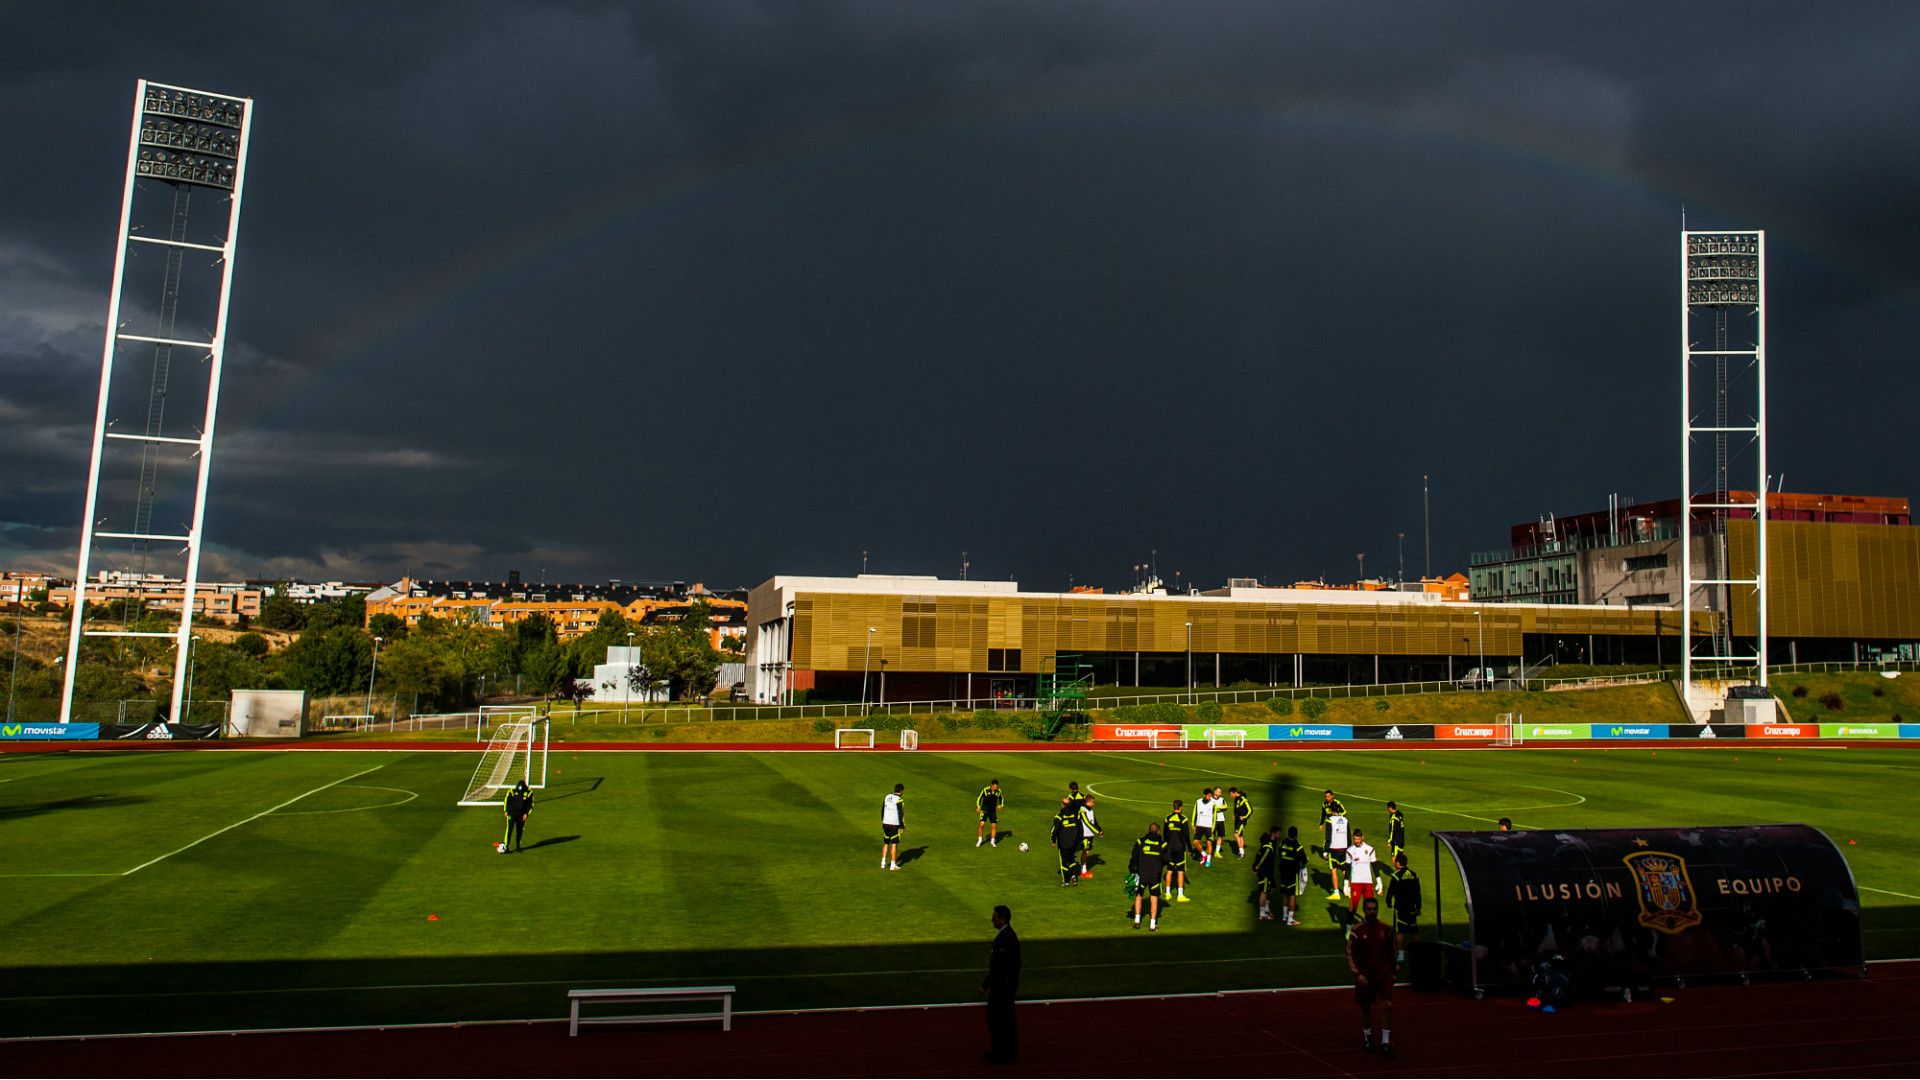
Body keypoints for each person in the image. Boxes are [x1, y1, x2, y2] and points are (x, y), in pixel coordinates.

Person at [1348, 895, 1398, 1056]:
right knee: (1365, 1008)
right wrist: (1358, 974)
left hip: (1383, 973)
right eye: (1369, 909)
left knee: (1388, 1006)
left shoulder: (1386, 929)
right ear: (1364, 911)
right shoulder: (1357, 931)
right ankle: (1368, 1036)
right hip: (1366, 975)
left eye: (1374, 909)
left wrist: (1394, 971)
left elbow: (1392, 951)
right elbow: (1350, 955)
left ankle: (1385, 1040)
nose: (1372, 912)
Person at [982, 904, 1021, 1064]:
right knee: (1001, 1020)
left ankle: (1003, 1053)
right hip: (1003, 985)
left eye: (995, 916)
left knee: (1000, 1020)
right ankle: (1003, 1052)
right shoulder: (1006, 935)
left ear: (1002, 918)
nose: (992, 919)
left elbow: (1001, 965)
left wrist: (987, 984)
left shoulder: (1006, 938)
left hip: (1002, 987)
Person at [1128, 822, 1168, 930]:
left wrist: (1132, 870)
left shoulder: (1140, 841)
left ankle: (1137, 921)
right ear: (1158, 831)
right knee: (1154, 898)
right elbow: (1167, 860)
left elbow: (1134, 858)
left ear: (1149, 830)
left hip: (1141, 874)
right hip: (1155, 875)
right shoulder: (1163, 844)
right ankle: (1152, 924)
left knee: (1139, 895)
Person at [1383, 851, 1422, 962]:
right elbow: (1418, 892)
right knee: (1414, 930)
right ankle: (1417, 953)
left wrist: (1388, 902)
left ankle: (1400, 955)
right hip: (1412, 908)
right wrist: (1418, 907)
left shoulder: (1396, 876)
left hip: (1400, 908)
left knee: (1400, 931)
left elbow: (1390, 891)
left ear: (1398, 863)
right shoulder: (1414, 875)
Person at [1276, 825, 1307, 925]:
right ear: (1296, 835)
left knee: (1285, 893)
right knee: (1292, 894)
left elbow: (1280, 854)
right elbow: (1304, 861)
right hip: (1293, 873)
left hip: (1283, 871)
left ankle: (1284, 916)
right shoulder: (1298, 847)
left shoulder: (1282, 844)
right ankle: (1290, 919)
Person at [1164, 799, 1192, 902]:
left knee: (1170, 869)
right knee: (1180, 871)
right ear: (1181, 807)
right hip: (1180, 848)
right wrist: (1189, 849)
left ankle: (1167, 893)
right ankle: (1180, 895)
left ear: (1173, 807)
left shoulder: (1167, 818)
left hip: (1170, 848)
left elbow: (1165, 835)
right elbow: (1186, 836)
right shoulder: (1183, 819)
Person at [1050, 797, 1083, 886]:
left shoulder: (1060, 815)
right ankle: (1073, 877)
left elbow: (1055, 829)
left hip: (1063, 843)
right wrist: (1078, 840)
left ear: (1063, 804)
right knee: (1072, 860)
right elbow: (1080, 828)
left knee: (1064, 862)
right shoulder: (1075, 814)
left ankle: (1066, 881)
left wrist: (1053, 840)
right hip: (1073, 843)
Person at [1346, 827, 1378, 913]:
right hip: (1356, 883)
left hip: (1368, 883)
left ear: (1362, 838)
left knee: (1370, 908)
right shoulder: (1350, 850)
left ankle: (1369, 925)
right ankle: (1348, 926)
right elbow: (1347, 867)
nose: (1356, 841)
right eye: (1355, 839)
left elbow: (1374, 865)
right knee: (1353, 908)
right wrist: (1346, 883)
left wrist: (1379, 881)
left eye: (1358, 839)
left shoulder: (1370, 849)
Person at [1325, 804, 1351, 901]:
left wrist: (1325, 851)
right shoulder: (1345, 820)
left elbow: (1328, 836)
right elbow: (1348, 835)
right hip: (1344, 848)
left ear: (1331, 810)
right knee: (1345, 869)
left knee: (1334, 869)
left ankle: (1336, 893)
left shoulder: (1329, 820)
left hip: (1334, 848)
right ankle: (1347, 890)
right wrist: (1349, 848)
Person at [1253, 825, 1279, 920]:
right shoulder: (1269, 845)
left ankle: (1267, 909)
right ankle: (1262, 914)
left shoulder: (1273, 842)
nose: (1280, 835)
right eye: (1279, 833)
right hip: (1264, 871)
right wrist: (1256, 867)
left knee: (1272, 888)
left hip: (1269, 871)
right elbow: (1262, 856)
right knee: (1264, 891)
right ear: (1274, 833)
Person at [502, 778, 534, 853]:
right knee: (509, 829)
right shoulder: (512, 791)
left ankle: (518, 846)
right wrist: (506, 810)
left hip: (521, 815)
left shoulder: (529, 792)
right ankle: (506, 846)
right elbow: (507, 800)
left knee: (519, 830)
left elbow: (530, 804)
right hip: (512, 813)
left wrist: (526, 814)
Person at [1077, 795, 1102, 878]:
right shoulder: (1082, 810)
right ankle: (1083, 871)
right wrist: (1097, 831)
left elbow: (1094, 821)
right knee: (1085, 851)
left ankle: (1083, 869)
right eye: (1092, 802)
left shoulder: (1091, 810)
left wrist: (1099, 829)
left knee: (1087, 851)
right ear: (1088, 801)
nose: (1093, 804)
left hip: (1090, 834)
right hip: (1084, 834)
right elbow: (1087, 822)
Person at [882, 783, 905, 871]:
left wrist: (883, 821)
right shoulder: (899, 800)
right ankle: (892, 865)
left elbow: (882, 810)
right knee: (894, 844)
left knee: (886, 842)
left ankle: (883, 863)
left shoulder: (887, 797)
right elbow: (900, 814)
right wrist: (902, 826)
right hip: (894, 824)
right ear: (901, 791)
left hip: (885, 823)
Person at [1194, 786, 1218, 868]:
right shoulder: (1198, 802)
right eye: (1208, 795)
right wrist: (1193, 824)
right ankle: (1204, 854)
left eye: (1210, 796)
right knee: (1195, 842)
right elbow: (1195, 813)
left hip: (1208, 827)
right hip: (1199, 825)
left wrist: (1213, 828)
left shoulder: (1213, 803)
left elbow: (1215, 817)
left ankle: (1208, 860)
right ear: (1204, 795)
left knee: (1209, 843)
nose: (1210, 797)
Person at [977, 779, 1004, 848]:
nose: (996, 788)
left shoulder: (998, 791)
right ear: (992, 785)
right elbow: (979, 798)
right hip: (985, 810)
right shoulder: (985, 790)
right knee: (982, 824)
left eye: (997, 786)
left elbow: (1001, 798)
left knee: (994, 826)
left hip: (992, 811)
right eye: (995, 786)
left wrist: (1001, 805)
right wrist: (978, 806)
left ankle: (992, 842)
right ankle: (979, 840)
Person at [1230, 787, 1253, 858]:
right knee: (1240, 835)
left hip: (1241, 821)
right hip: (1237, 820)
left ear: (1234, 792)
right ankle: (1242, 852)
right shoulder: (1236, 799)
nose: (1231, 796)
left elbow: (1250, 810)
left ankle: (1242, 853)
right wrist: (1234, 815)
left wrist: (1244, 817)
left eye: (1231, 794)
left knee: (1236, 835)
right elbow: (1235, 808)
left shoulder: (1243, 799)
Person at [1210, 787, 1230, 863]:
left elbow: (1226, 807)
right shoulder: (1210, 799)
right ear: (1214, 792)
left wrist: (1217, 808)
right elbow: (1210, 808)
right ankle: (1210, 851)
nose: (1220, 793)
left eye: (1221, 792)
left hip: (1221, 820)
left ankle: (1217, 852)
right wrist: (1217, 808)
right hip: (1213, 820)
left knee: (1220, 836)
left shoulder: (1222, 799)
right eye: (1219, 792)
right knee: (1211, 836)